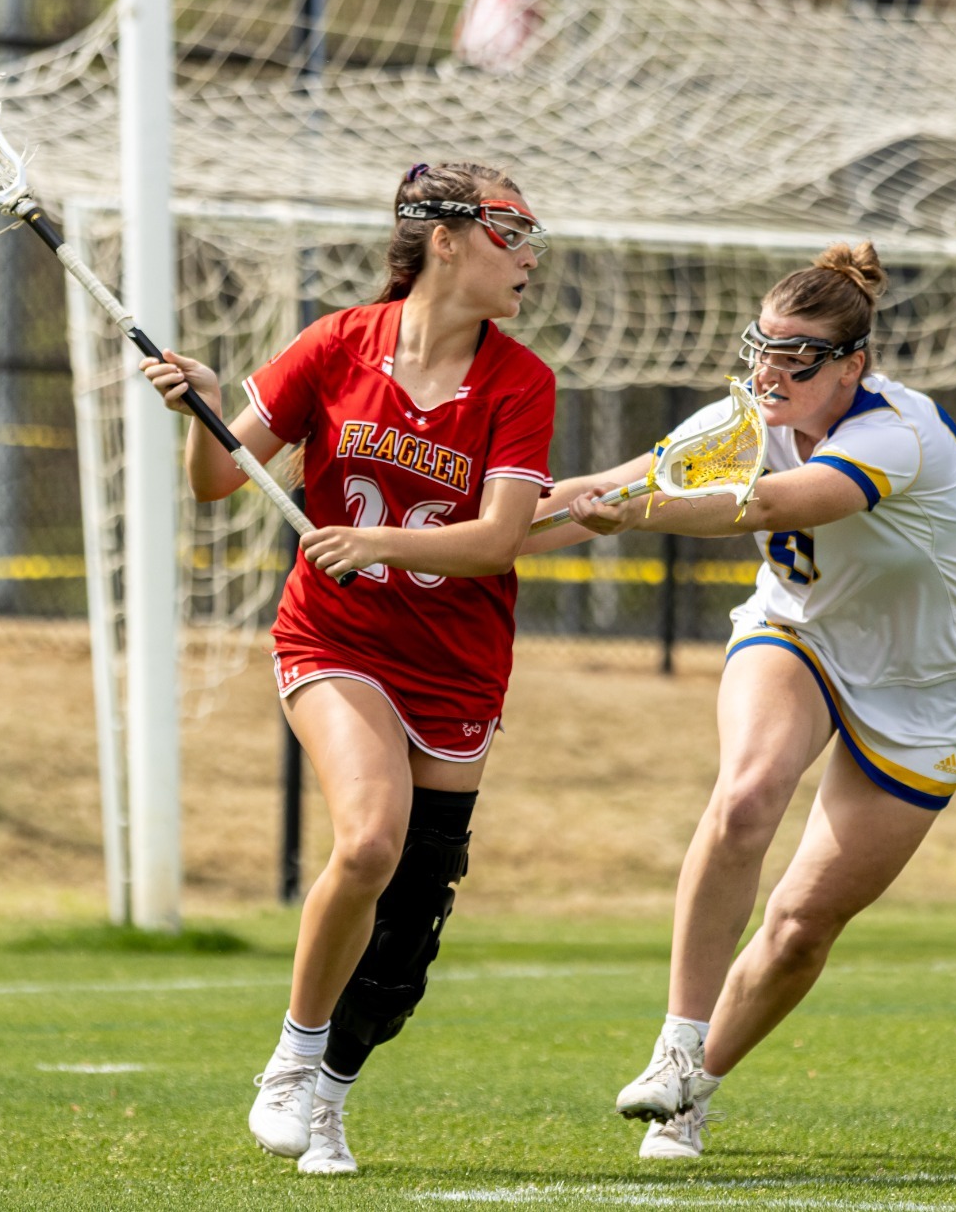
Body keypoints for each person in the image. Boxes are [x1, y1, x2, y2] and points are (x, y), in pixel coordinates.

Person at [531, 241, 956, 1159]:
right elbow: (596, 495)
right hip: (801, 633)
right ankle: (676, 1045)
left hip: (926, 686)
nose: (772, 372)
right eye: (762, 348)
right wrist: (433, 543)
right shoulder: (741, 417)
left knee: (798, 926)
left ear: (854, 367)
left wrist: (642, 508)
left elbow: (767, 505)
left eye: (801, 358)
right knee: (748, 792)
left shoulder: (898, 433)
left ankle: (694, 1085)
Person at [143, 162, 554, 1176]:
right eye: (511, 232)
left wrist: (379, 546)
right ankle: (290, 1056)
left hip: (456, 668)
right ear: (444, 239)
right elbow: (215, 480)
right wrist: (195, 409)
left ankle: (328, 1093)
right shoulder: (336, 345)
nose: (529, 256)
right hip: (336, 640)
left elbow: (499, 539)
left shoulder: (518, 380)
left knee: (407, 937)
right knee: (368, 841)